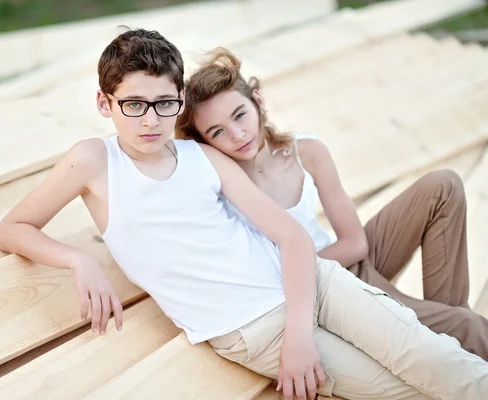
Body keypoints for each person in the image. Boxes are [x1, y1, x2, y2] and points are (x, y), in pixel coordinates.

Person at [0, 29, 488, 400]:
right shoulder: (94, 160)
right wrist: (80, 261)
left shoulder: (201, 157)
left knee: (437, 359)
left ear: (179, 100)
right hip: (248, 328)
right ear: (105, 104)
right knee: (404, 392)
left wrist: (299, 332)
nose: (150, 120)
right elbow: (13, 228)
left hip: (314, 283)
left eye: (164, 103)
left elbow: (293, 238)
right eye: (134, 105)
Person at [175, 46, 488, 363]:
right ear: (206, 143)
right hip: (327, 292)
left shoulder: (305, 151)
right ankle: (453, 336)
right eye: (217, 132)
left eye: (239, 115)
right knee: (465, 324)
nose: (237, 134)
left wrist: (299, 265)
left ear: (257, 101)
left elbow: (355, 243)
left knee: (443, 185)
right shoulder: (221, 187)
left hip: (347, 264)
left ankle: (450, 340)